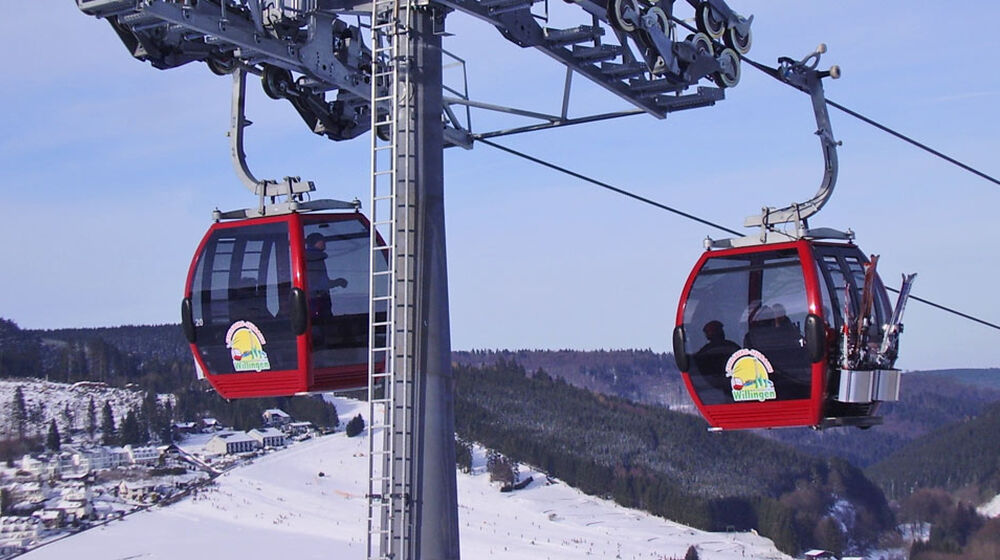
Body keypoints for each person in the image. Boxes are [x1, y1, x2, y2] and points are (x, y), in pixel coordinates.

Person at [305, 233, 348, 344]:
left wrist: (336, 282)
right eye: (322, 240)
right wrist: (337, 282)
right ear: (315, 242)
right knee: (322, 328)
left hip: (316, 299)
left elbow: (322, 281)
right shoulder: (315, 258)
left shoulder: (314, 258)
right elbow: (319, 283)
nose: (325, 243)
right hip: (318, 300)